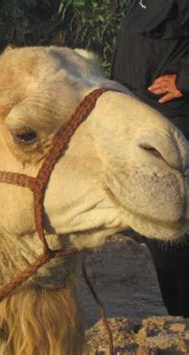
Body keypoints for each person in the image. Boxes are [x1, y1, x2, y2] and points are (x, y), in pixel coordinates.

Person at [112, 0, 189, 318]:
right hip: (143, 121)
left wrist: (184, 81)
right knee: (159, 234)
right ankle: (179, 318)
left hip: (171, 126)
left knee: (175, 229)